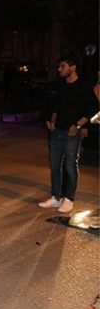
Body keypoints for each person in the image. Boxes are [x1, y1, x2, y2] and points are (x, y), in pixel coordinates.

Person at [38, 56, 97, 213]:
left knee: (70, 164)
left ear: (72, 67)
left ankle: (69, 198)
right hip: (57, 130)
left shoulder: (83, 86)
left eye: (63, 66)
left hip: (72, 132)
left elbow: (94, 107)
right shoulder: (60, 86)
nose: (59, 69)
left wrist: (78, 125)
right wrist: (50, 120)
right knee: (55, 164)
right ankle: (55, 196)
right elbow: (55, 106)